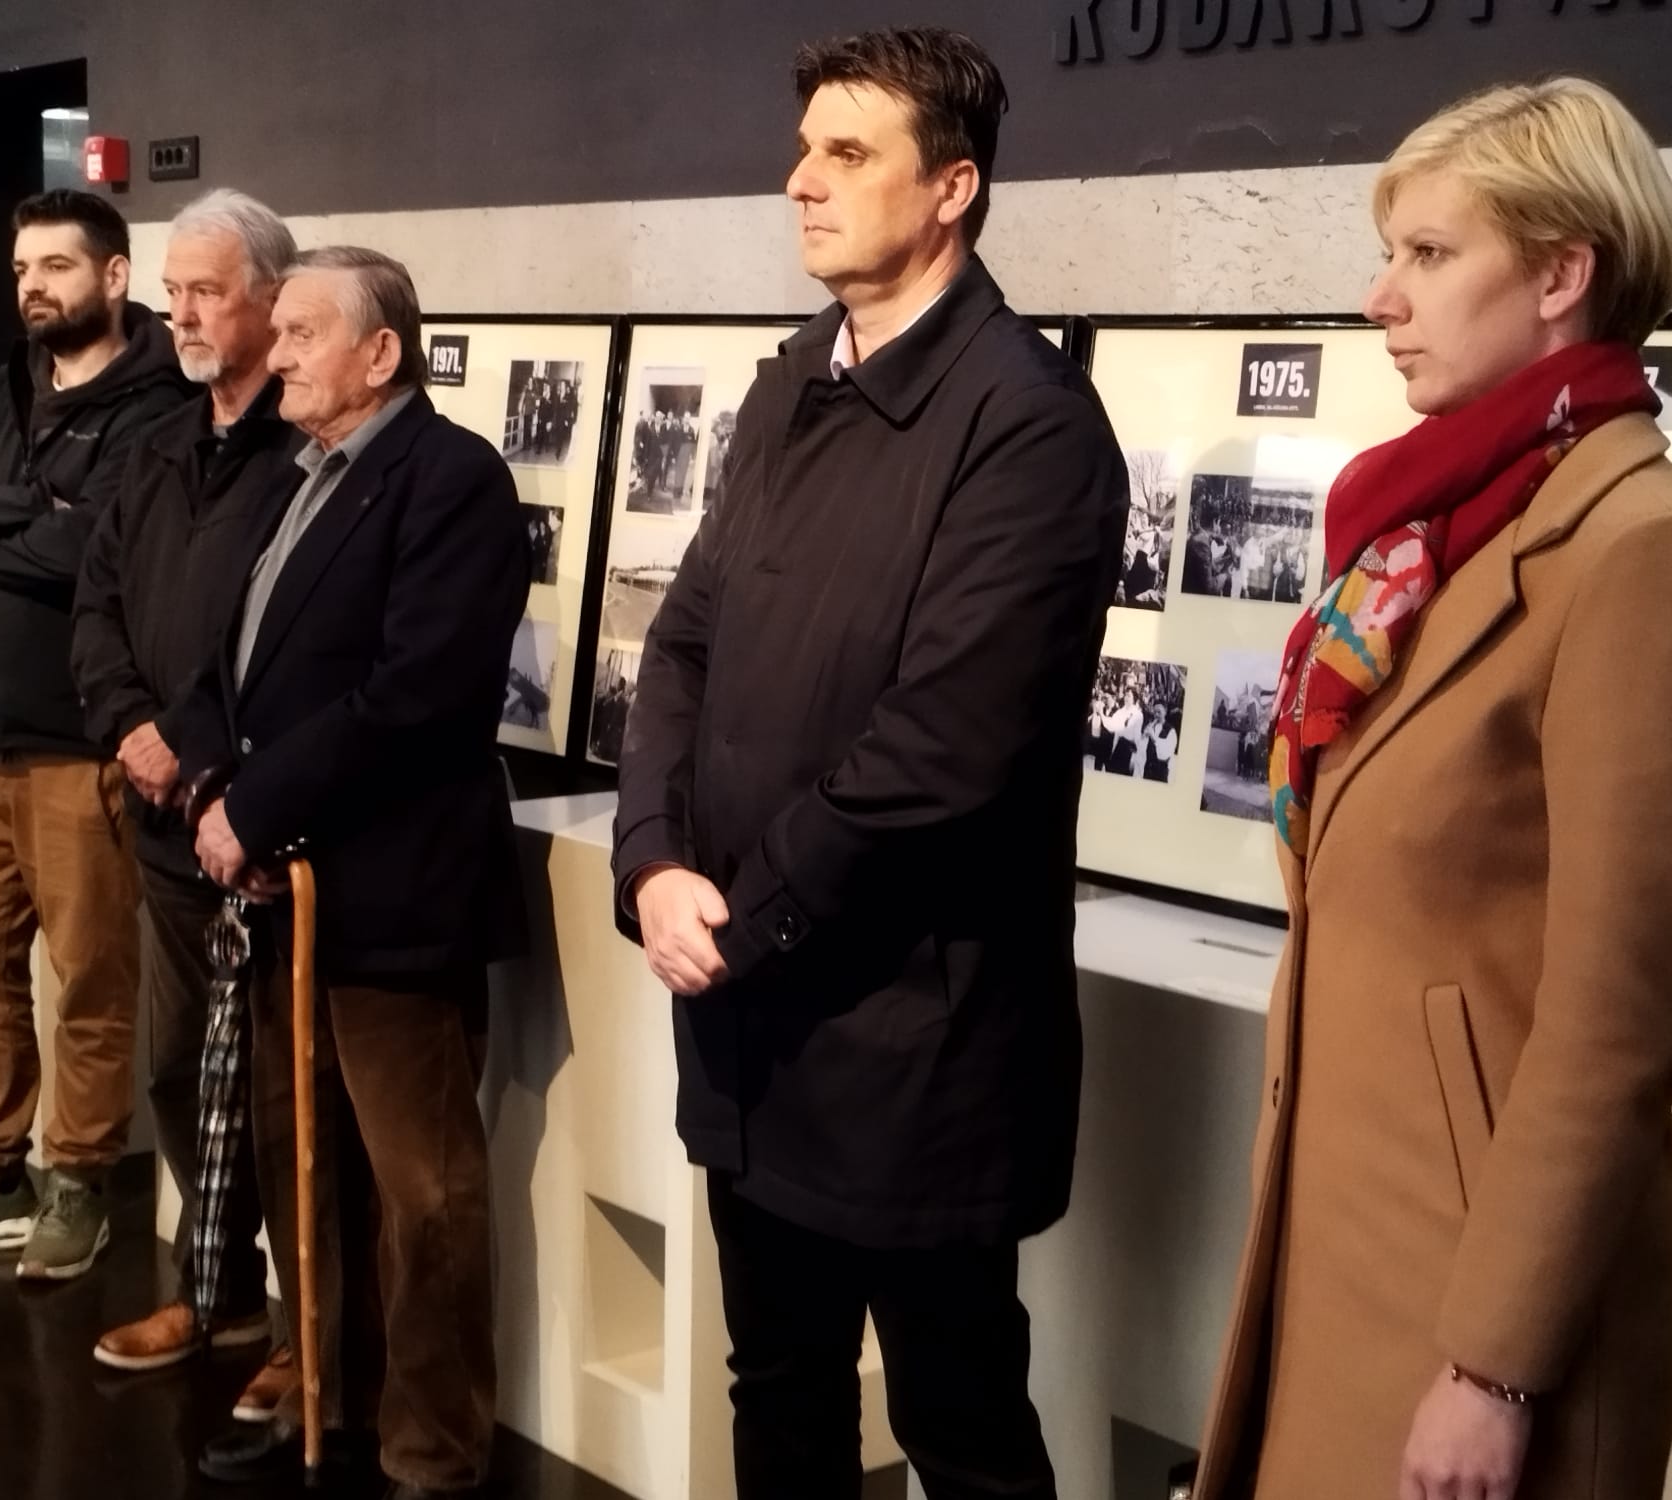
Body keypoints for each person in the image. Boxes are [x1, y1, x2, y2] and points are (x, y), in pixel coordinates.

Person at [1194, 80, 1672, 1500]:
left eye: (1429, 254)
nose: (1380, 298)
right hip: (1349, 1240)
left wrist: (1495, 1366)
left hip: (1481, 1308)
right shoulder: (1432, 533)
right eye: (1389, 253)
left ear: (1563, 273)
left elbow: (1619, 1018)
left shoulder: (1639, 557)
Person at [612, 28, 1125, 1500]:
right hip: (748, 1007)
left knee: (958, 1423)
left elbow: (942, 750)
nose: (801, 181)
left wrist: (743, 918)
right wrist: (654, 861)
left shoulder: (1026, 424)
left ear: (952, 188)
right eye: (803, 150)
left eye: (848, 153)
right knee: (776, 1387)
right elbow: (683, 642)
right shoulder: (791, 384)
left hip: (915, 1035)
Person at [179, 246, 527, 1500]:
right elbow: (235, 662)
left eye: (302, 333)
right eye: (278, 331)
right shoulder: (296, 475)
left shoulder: (452, 480)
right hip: (286, 892)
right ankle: (325, 1396)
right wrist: (217, 788)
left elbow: (418, 695)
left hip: (394, 897)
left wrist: (257, 805)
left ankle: (430, 1452)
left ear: (380, 353)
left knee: (419, 1193)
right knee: (304, 1167)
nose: (275, 356)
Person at [0, 190, 191, 1277]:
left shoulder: (160, 404)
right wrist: (25, 511)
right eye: (21, 269)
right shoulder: (5, 382)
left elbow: (95, 553)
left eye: (56, 266)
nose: (33, 288)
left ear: (115, 275)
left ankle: (80, 1185)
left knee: (90, 983)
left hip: (77, 752)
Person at [70, 191, 304, 1406]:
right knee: (174, 1072)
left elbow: (296, 642)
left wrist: (192, 745)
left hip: (254, 820)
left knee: (276, 1093)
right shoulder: (159, 445)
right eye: (174, 292)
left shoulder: (306, 450)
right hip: (160, 823)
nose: (183, 314)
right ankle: (216, 1294)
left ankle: (304, 1337)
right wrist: (129, 725)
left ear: (271, 297)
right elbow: (96, 603)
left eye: (207, 292)